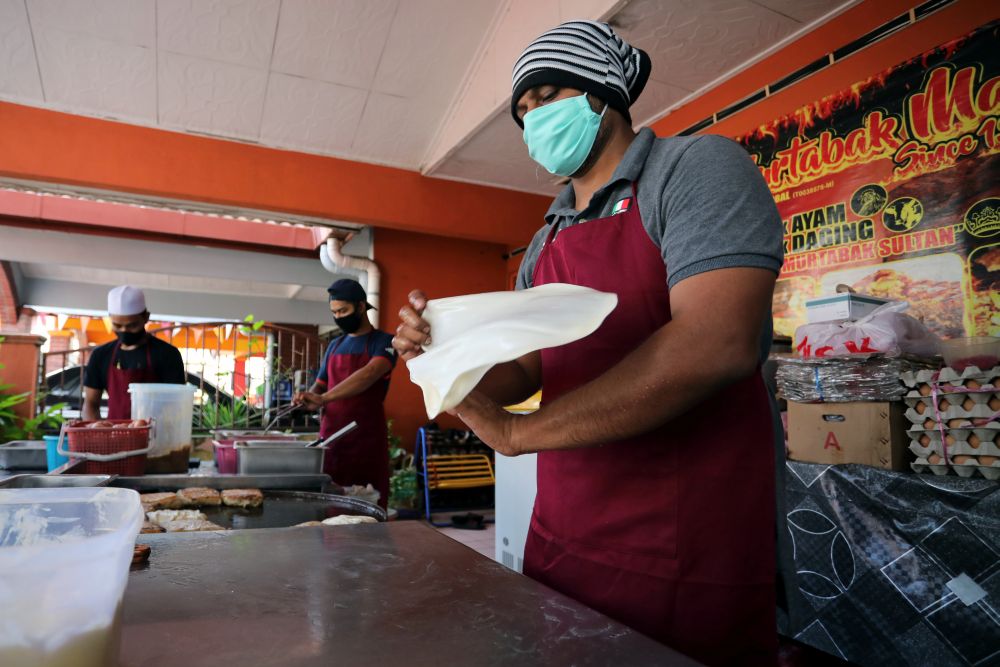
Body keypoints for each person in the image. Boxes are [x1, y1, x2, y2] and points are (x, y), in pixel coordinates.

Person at [393, 20, 784, 666]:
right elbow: (523, 371)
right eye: (523, 111)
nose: (534, 119)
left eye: (546, 95)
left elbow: (718, 340)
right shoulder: (545, 240)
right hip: (564, 539)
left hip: (684, 550)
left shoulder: (694, 170)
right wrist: (444, 357)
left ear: (601, 93)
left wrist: (520, 434)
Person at [294, 279, 396, 510]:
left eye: (343, 310)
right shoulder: (334, 345)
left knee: (369, 510)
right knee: (331, 508)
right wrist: (306, 398)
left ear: (361, 307)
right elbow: (319, 385)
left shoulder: (385, 341)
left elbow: (368, 374)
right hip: (331, 442)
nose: (338, 317)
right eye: (334, 312)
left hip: (367, 442)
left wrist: (324, 399)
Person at [83, 285, 185, 421]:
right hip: (114, 436)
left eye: (132, 325)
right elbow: (90, 403)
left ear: (146, 318)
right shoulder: (100, 355)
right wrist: (96, 433)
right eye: (117, 326)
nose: (124, 331)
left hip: (154, 437)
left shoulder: (167, 354)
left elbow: (175, 406)